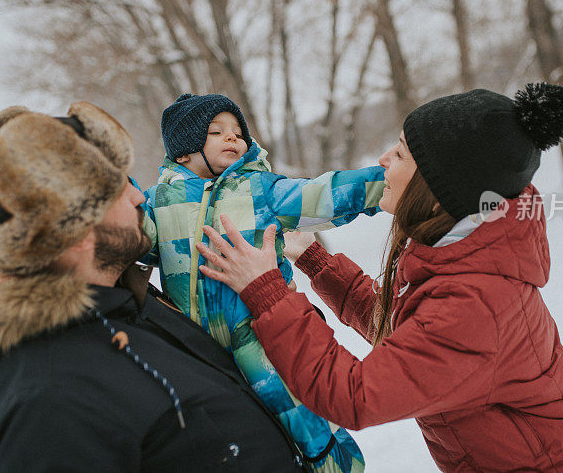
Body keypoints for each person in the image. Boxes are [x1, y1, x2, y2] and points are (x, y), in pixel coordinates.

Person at [196, 84, 563, 472]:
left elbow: (354, 394)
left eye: (401, 153)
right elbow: (404, 334)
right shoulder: (457, 248)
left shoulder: (477, 300)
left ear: (439, 190)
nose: (383, 160)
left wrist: (268, 293)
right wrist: (314, 259)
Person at [0, 102, 310, 472]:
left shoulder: (127, 301)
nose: (139, 194)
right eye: (118, 186)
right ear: (74, 229)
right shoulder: (47, 403)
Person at [140, 93, 384, 472]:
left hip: (262, 339)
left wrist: (384, 183)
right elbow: (132, 235)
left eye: (237, 132)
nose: (232, 138)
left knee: (301, 416)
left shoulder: (259, 190)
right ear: (184, 152)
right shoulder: (160, 203)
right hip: (197, 353)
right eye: (216, 132)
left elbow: (321, 195)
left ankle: (335, 465)